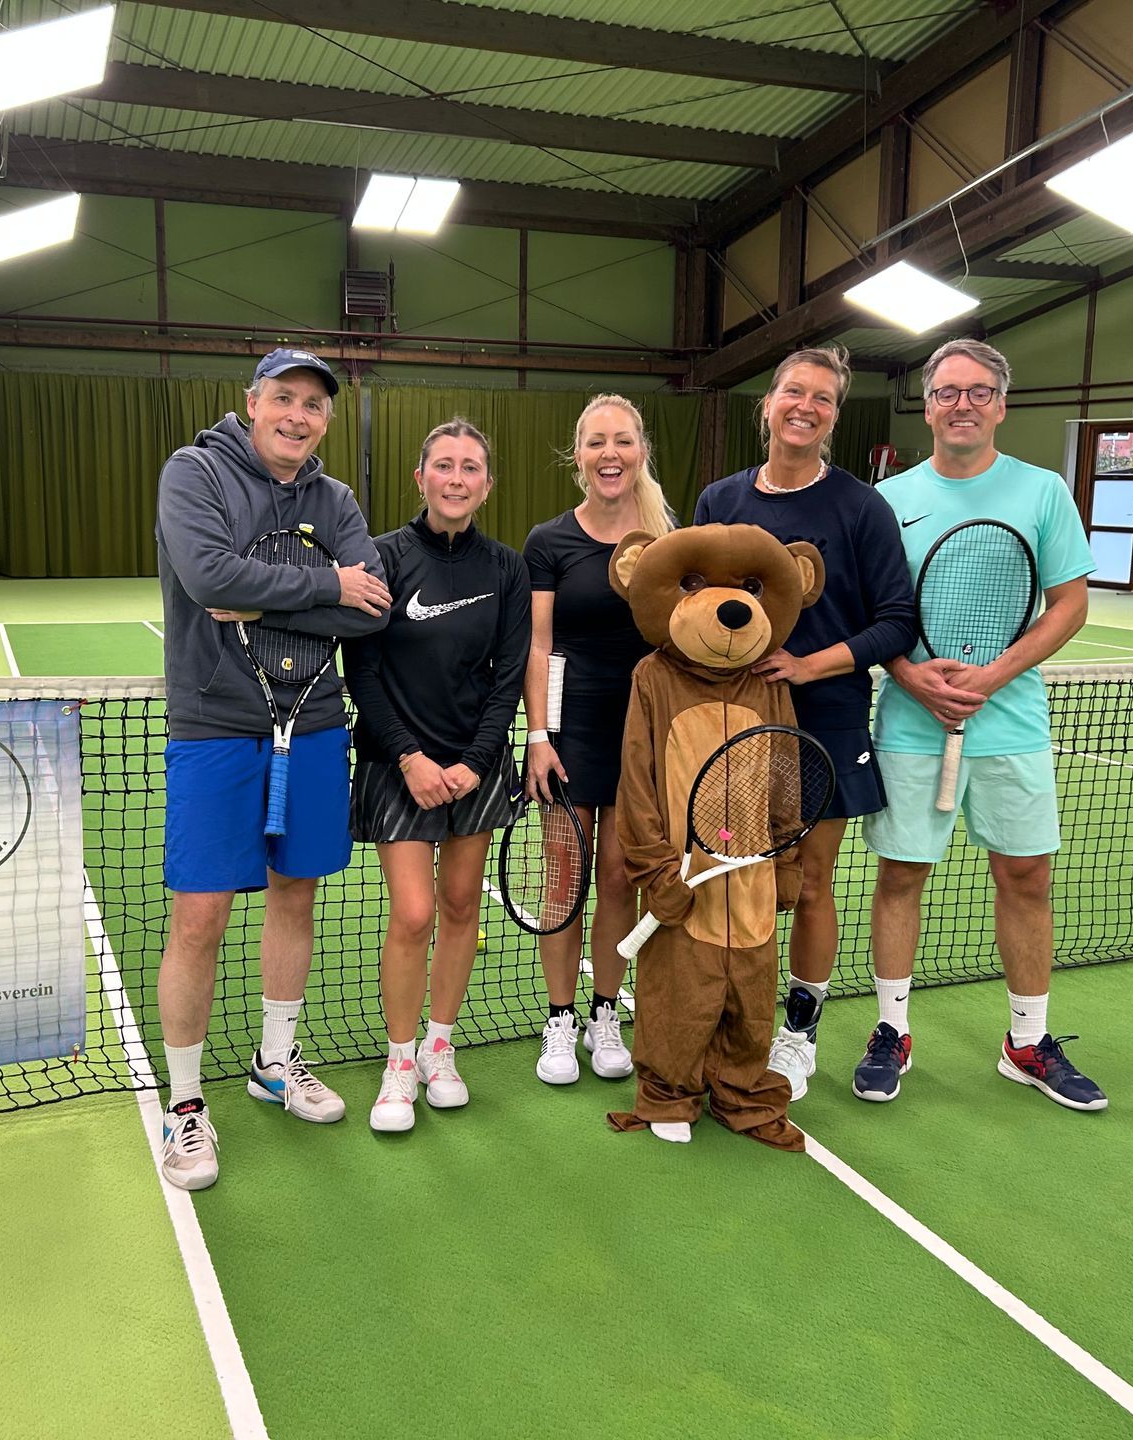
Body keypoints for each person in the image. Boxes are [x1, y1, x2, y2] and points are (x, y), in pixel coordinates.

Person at [152, 347, 393, 1191]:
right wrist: (328, 582)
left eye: (314, 405)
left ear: (326, 420)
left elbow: (373, 612)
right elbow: (207, 574)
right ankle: (185, 1106)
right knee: (200, 919)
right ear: (252, 402)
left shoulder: (336, 499)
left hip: (317, 725)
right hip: (215, 725)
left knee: (297, 896)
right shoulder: (194, 473)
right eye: (284, 398)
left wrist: (261, 597)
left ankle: (275, 1062)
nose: (298, 415)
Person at [860, 337, 1107, 1111]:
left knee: (1026, 876)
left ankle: (1027, 1042)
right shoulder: (888, 500)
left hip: (1012, 724)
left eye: (977, 392)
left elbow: (1069, 604)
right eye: (947, 391)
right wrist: (910, 676)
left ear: (1000, 405)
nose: (961, 404)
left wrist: (994, 675)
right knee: (902, 874)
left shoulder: (1042, 492)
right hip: (911, 722)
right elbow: (871, 612)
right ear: (928, 405)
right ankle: (892, 1031)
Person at [691, 345, 917, 1099]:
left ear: (834, 416)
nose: (805, 407)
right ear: (768, 403)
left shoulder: (862, 508)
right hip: (731, 722)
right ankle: (727, 1020)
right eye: (794, 391)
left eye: (823, 398)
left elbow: (897, 622)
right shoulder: (719, 500)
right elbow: (691, 604)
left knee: (811, 883)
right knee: (731, 878)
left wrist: (808, 666)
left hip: (828, 720)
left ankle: (798, 1034)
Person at [344, 419, 531, 1133]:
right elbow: (362, 670)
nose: (457, 478)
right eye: (444, 465)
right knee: (415, 914)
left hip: (474, 767)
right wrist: (410, 758)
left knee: (459, 906)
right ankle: (399, 1062)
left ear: (487, 485)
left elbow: (508, 677)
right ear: (420, 478)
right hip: (398, 766)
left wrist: (474, 763)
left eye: (471, 467)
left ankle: (439, 1047)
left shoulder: (506, 569)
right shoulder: (383, 558)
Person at [521, 394, 673, 1085]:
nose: (610, 454)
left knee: (618, 877)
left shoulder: (669, 541)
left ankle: (605, 1013)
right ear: (578, 455)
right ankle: (559, 1019)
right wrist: (537, 735)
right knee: (564, 878)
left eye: (623, 441)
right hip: (570, 730)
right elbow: (538, 644)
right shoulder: (549, 542)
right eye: (596, 442)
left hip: (643, 733)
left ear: (640, 451)